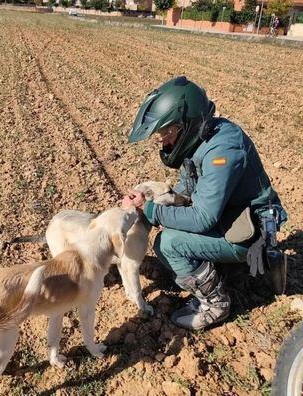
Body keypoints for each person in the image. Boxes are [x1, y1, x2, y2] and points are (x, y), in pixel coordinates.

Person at [122, 76, 287, 330]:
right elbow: (185, 191)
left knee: (168, 244)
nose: (163, 141)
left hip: (252, 229)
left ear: (186, 124)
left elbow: (202, 218)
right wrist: (149, 199)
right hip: (231, 217)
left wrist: (152, 210)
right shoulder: (201, 139)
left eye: (166, 133)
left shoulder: (222, 151)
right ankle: (237, 267)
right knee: (176, 231)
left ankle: (216, 303)